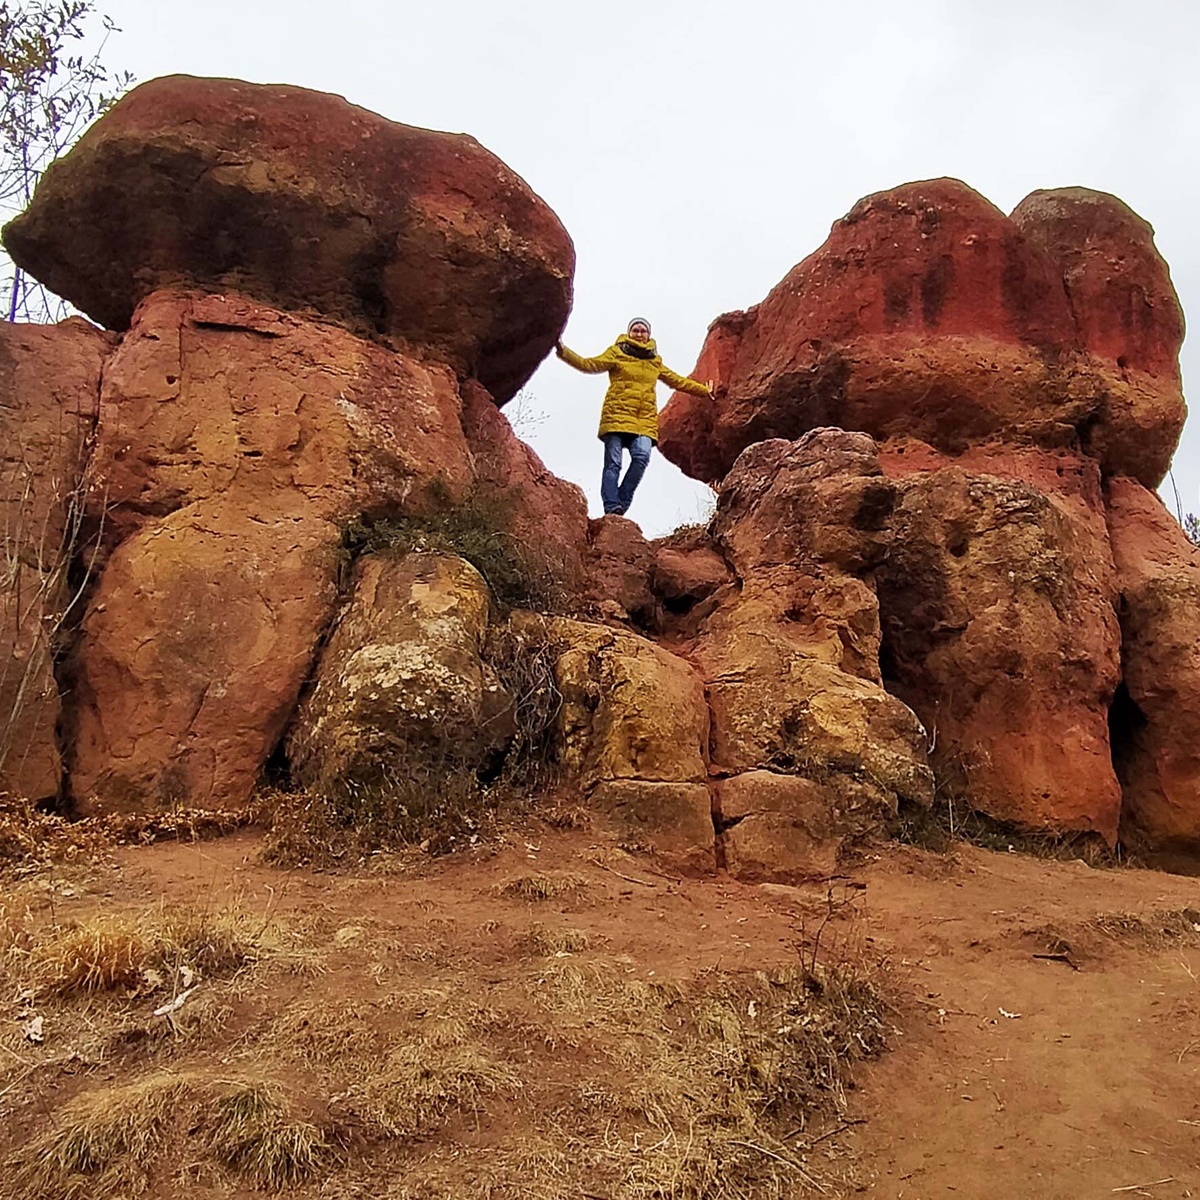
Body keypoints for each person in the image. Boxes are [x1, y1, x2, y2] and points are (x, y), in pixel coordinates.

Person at [555, 318, 713, 516]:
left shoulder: (654, 361)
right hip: (616, 415)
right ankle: (612, 507)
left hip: (644, 421)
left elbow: (678, 381)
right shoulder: (617, 353)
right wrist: (563, 350)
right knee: (613, 464)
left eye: (642, 331)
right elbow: (589, 364)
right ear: (629, 333)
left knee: (641, 458)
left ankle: (621, 502)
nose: (639, 334)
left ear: (648, 335)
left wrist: (704, 391)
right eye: (635, 330)